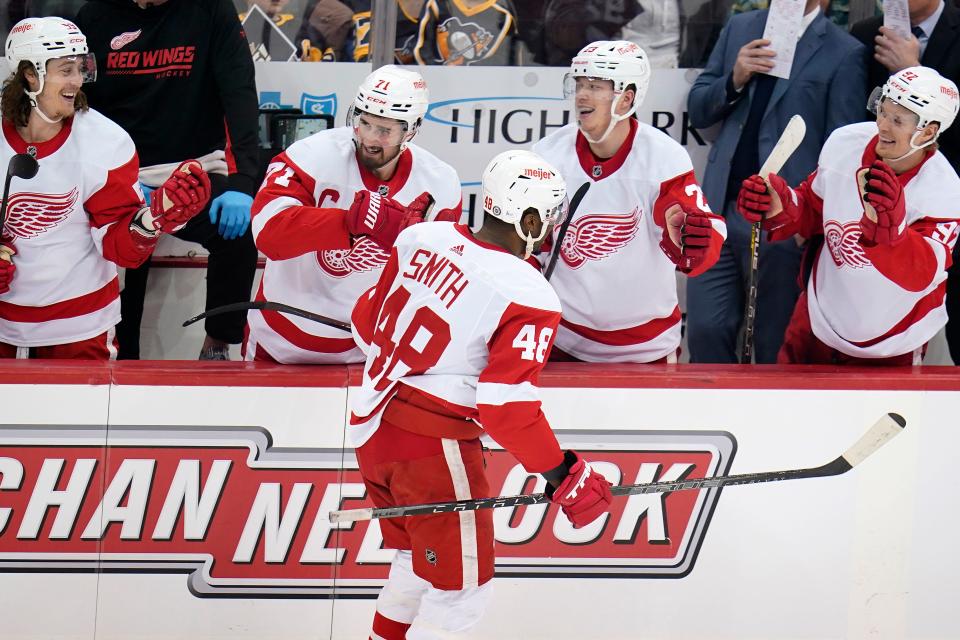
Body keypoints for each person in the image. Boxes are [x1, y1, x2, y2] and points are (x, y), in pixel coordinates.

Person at [348, 149, 613, 639]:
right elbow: (504, 406)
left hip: (373, 434)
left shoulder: (419, 237)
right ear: (528, 218)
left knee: (413, 566)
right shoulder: (527, 290)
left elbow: (365, 323)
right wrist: (566, 473)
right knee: (461, 592)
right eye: (549, 217)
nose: (552, 229)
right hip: (434, 450)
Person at [0, 17, 210, 359]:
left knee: (75, 416)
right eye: (66, 69)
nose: (78, 80)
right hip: (2, 320)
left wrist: (151, 221)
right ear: (30, 74)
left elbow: (120, 249)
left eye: (81, 68)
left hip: (79, 324)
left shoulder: (106, 142)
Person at [74, 0, 260, 360]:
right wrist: (101, 177)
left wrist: (242, 180)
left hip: (193, 171)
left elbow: (239, 92)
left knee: (239, 232)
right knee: (119, 255)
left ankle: (217, 347)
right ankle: (119, 365)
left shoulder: (211, 10)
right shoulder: (94, 15)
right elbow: (80, 103)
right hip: (118, 172)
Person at [737, 66, 960, 364]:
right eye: (882, 110)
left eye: (897, 120)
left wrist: (890, 233)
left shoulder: (944, 190)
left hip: (893, 342)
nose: (883, 125)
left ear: (929, 131)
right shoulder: (845, 143)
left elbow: (921, 274)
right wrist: (781, 205)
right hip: (818, 321)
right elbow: (814, 209)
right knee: (789, 410)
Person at [685, 0, 866, 363]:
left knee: (773, 339)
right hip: (719, 206)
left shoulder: (844, 52)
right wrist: (734, 78)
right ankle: (713, 415)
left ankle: (765, 420)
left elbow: (842, 150)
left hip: (781, 221)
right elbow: (699, 107)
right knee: (706, 329)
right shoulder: (741, 28)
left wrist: (810, 220)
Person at [246, 65, 461, 364]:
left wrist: (410, 241)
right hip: (278, 340)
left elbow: (437, 282)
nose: (370, 139)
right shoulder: (311, 155)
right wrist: (348, 222)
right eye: (364, 123)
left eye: (385, 130)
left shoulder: (440, 184)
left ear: (411, 129)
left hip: (365, 353)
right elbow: (268, 234)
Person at [533, 41, 726, 363]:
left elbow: (700, 237)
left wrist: (699, 242)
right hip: (562, 337)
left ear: (627, 97)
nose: (582, 95)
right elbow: (527, 245)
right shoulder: (547, 154)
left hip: (643, 347)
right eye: (579, 84)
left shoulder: (664, 159)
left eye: (595, 86)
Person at [850, 0, 960, 363]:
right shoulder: (867, 35)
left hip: (946, 201)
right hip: (879, 207)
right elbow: (855, 121)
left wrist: (915, 73)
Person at [413, 0, 520, 65]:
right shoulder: (437, 4)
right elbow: (420, 50)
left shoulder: (504, 16)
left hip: (481, 94)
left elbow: (505, 64)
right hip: (437, 88)